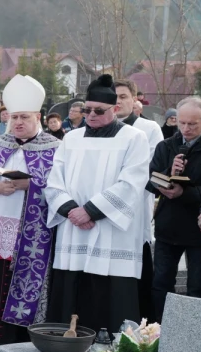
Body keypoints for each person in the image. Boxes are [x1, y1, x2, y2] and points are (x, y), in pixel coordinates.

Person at [44, 75, 152, 333]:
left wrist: (90, 211)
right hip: (74, 230)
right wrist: (72, 211)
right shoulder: (71, 138)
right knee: (73, 291)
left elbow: (132, 182)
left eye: (99, 111)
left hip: (112, 232)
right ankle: (64, 343)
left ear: (115, 110)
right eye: (87, 110)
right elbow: (53, 183)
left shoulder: (134, 138)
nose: (91, 115)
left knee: (111, 297)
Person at [0, 75, 59, 351]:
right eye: (14, 117)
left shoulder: (54, 148)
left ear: (38, 117)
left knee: (21, 283)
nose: (18, 122)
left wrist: (31, 184)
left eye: (25, 117)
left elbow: (60, 187)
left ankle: (19, 342)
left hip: (31, 233)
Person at [148, 96, 201, 321]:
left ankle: (194, 336)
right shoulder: (166, 145)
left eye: (192, 124)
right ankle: (158, 333)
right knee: (161, 283)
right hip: (168, 226)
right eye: (182, 123)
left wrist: (184, 193)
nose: (186, 128)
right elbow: (150, 181)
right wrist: (169, 172)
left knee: (196, 287)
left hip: (199, 229)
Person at [114, 78, 165, 320]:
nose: (118, 101)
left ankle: (142, 321)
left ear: (135, 100)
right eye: (113, 97)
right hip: (103, 210)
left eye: (123, 96)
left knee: (139, 273)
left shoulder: (149, 129)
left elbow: (149, 169)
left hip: (134, 209)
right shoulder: (97, 128)